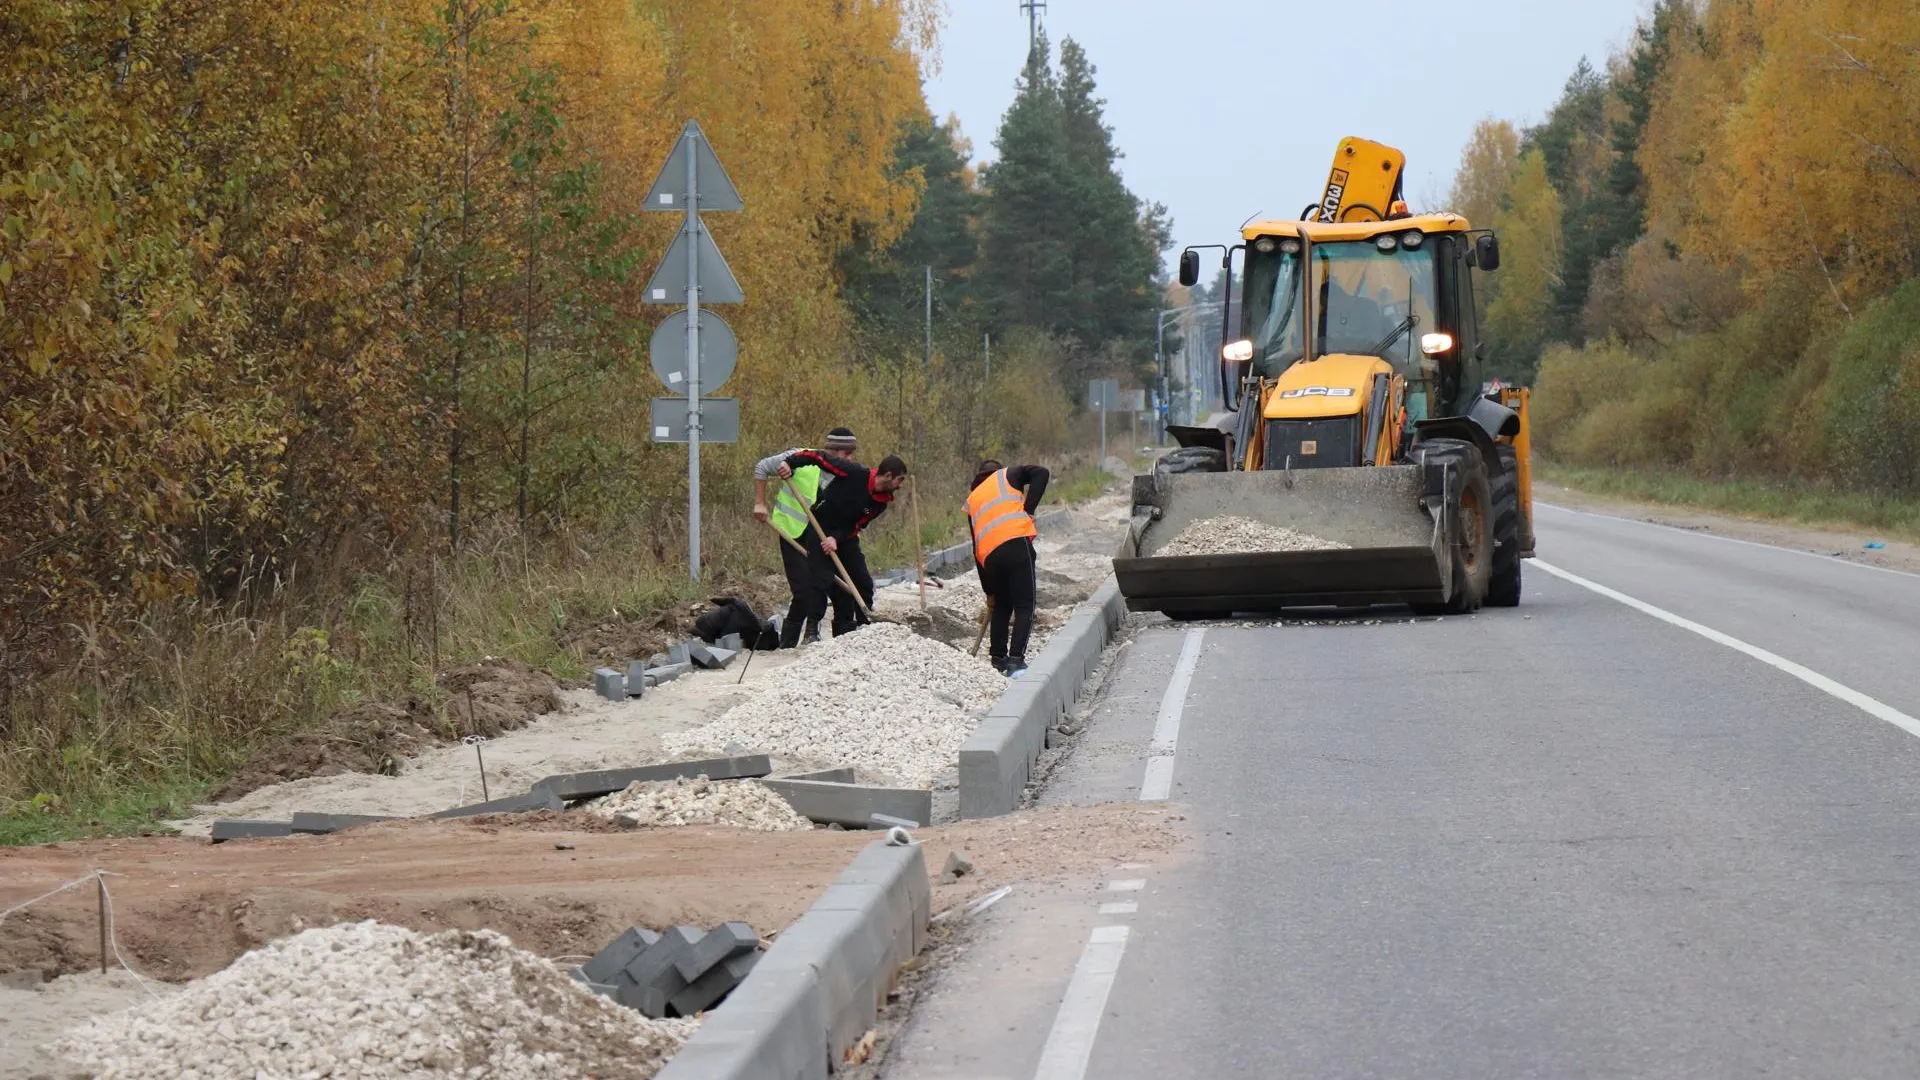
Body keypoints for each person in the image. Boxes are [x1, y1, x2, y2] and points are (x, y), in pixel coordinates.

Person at [773, 450, 909, 638]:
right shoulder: (854, 473)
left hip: (845, 536)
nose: (901, 485)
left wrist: (836, 539)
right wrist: (790, 463)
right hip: (820, 525)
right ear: (887, 475)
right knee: (821, 579)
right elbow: (819, 457)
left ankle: (864, 625)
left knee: (862, 581)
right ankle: (811, 630)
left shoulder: (881, 502)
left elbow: (856, 525)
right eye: (899, 480)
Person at [753, 427, 858, 648]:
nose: (850, 458)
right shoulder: (799, 458)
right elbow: (762, 467)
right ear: (832, 450)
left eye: (852, 453)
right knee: (802, 589)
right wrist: (760, 503)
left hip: (822, 537)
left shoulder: (848, 474)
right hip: (792, 531)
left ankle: (820, 636)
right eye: (846, 454)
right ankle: (788, 643)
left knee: (829, 587)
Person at [965, 459, 1049, 677]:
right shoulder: (1008, 475)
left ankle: (998, 658)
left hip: (989, 558)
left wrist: (989, 591)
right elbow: (1042, 472)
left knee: (1002, 605)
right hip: (1015, 543)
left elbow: (976, 547)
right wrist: (1028, 512)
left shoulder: (973, 500)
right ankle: (1015, 662)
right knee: (1024, 606)